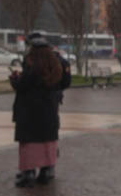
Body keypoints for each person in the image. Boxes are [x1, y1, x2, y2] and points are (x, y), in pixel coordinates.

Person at [9, 36, 73, 187]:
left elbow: (22, 85)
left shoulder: (33, 65)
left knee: (29, 143)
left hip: (29, 111)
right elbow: (65, 82)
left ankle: (29, 172)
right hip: (49, 109)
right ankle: (47, 171)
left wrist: (14, 79)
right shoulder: (56, 65)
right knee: (48, 142)